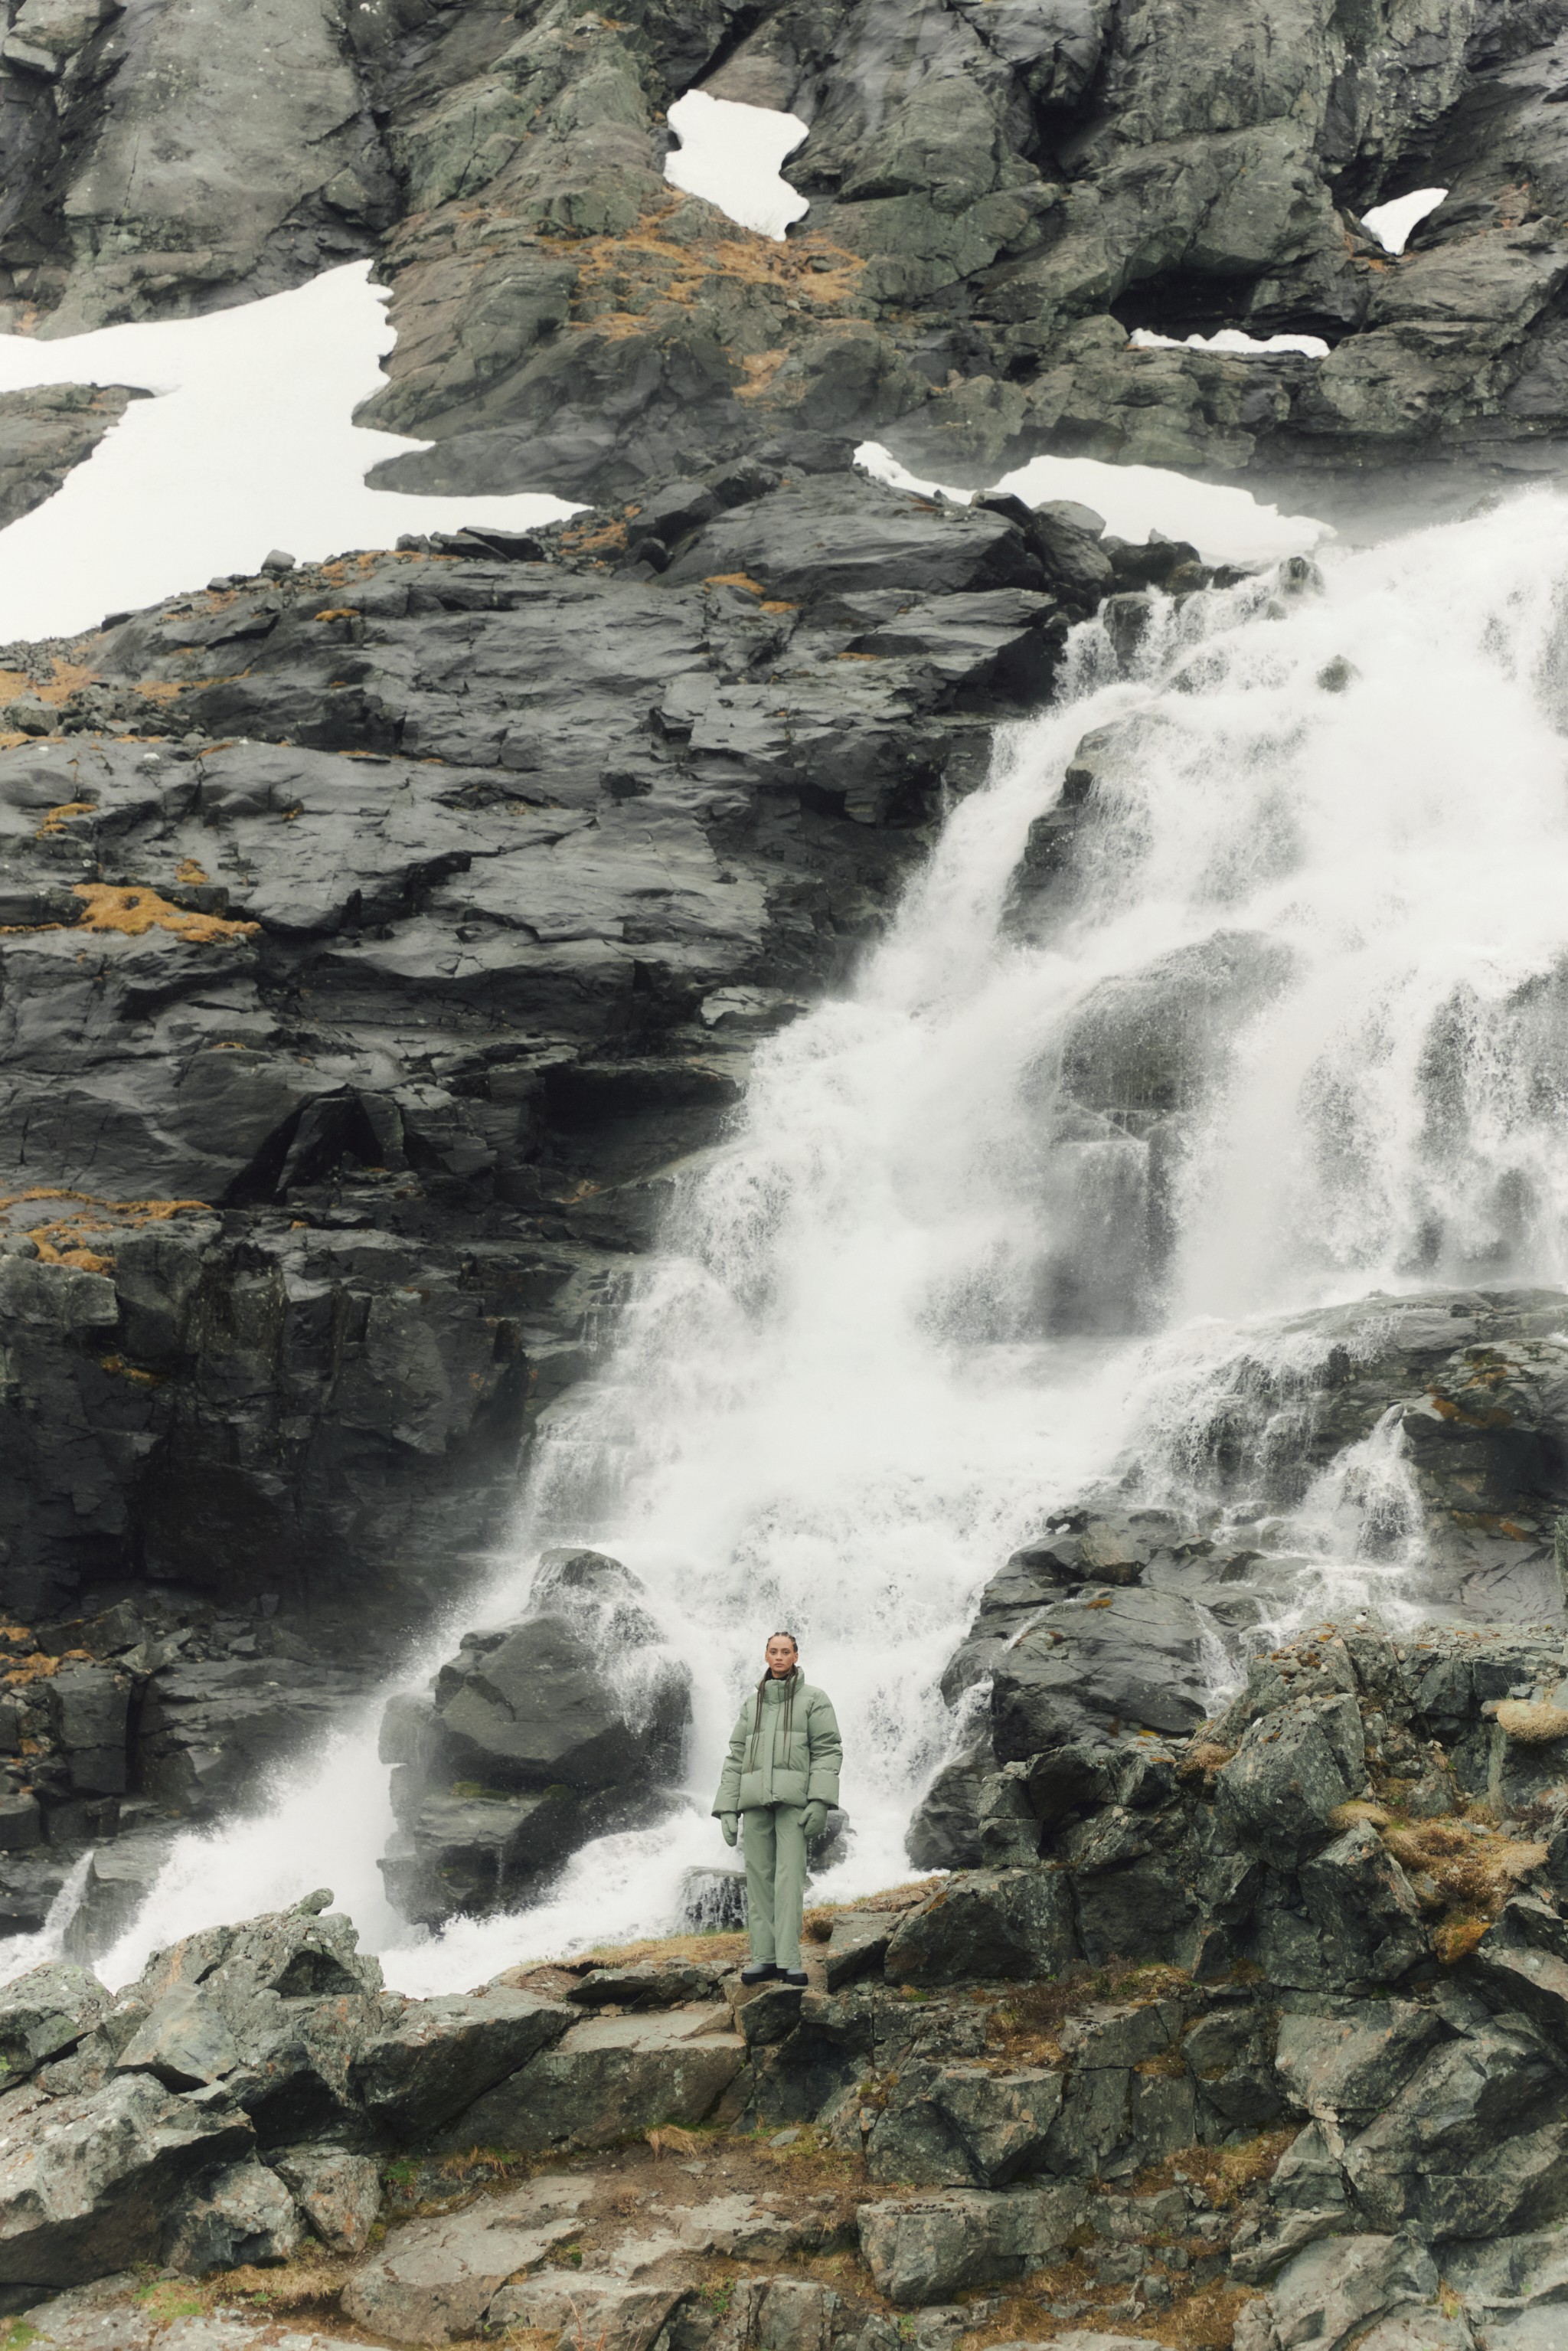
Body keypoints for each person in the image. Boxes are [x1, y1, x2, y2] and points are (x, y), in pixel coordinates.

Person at [712, 1631, 842, 1985]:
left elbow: (828, 1751)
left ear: (796, 1656)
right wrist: (727, 1808)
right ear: (766, 1656)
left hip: (794, 1805)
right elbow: (736, 1756)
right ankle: (764, 1959)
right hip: (754, 1803)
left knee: (789, 1879)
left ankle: (789, 1960)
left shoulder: (815, 1699)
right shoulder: (752, 1703)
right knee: (759, 1880)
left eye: (786, 1651)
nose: (780, 1657)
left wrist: (819, 1801)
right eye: (774, 1651)